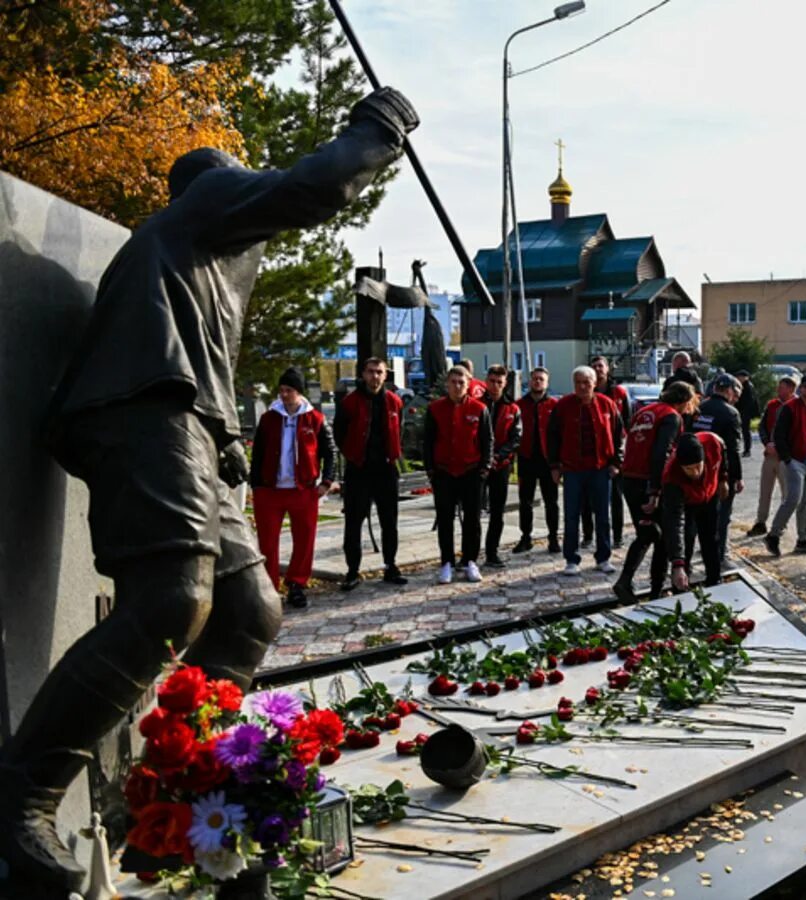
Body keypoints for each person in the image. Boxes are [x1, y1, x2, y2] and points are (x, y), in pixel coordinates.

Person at [5, 85, 415, 893]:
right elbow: (320, 183)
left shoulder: (200, 262)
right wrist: (380, 127)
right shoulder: (204, 208)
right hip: (143, 409)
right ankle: (21, 794)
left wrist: (227, 443)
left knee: (250, 609)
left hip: (189, 422)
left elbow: (209, 366)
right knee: (168, 602)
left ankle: (191, 786)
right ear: (220, 190)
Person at [248, 367, 337, 609]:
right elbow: (258, 454)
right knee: (267, 542)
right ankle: (269, 587)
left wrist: (326, 481)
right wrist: (255, 484)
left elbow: (330, 453)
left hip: (303, 490)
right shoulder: (269, 418)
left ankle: (297, 584)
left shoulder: (315, 419)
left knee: (304, 539)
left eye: (289, 391)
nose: (284, 395)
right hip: (270, 490)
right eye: (282, 390)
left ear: (299, 392)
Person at [614, 382, 695, 602]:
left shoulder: (645, 412)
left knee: (649, 532)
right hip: (647, 480)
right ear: (684, 400)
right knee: (659, 535)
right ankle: (651, 587)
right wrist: (655, 490)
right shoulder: (671, 417)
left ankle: (633, 583)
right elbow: (661, 452)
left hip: (629, 477)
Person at [336, 356, 407, 590]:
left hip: (386, 469)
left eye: (379, 372)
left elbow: (400, 429)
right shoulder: (350, 402)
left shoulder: (395, 401)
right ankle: (352, 571)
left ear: (385, 375)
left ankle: (391, 565)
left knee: (390, 521)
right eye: (370, 371)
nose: (375, 376)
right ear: (363, 374)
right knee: (354, 522)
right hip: (359, 469)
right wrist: (353, 454)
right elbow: (339, 433)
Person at [548, 365, 625, 576]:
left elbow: (619, 435)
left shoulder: (607, 405)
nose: (582, 387)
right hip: (572, 469)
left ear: (594, 383)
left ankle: (603, 557)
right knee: (571, 516)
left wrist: (616, 463)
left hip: (601, 469)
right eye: (578, 383)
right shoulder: (563, 406)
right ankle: (571, 559)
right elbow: (552, 437)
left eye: (586, 382)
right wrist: (554, 466)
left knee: (603, 515)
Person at [424, 366, 492, 584]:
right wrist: (431, 470)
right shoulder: (435, 409)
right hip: (443, 472)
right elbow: (428, 442)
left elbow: (487, 441)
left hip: (471, 472)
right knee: (445, 520)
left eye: (461, 382)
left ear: (469, 383)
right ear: (447, 384)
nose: (457, 386)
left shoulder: (479, 409)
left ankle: (470, 560)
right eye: (453, 382)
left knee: (472, 520)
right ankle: (447, 563)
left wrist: (484, 468)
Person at [764, 374, 806, 556]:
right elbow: (779, 434)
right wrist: (787, 458)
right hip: (795, 461)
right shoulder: (790, 408)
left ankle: (803, 539)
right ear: (801, 388)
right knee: (793, 499)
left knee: (805, 502)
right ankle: (773, 535)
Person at [665, 431, 730, 592]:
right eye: (688, 469)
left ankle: (714, 580)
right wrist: (677, 562)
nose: (695, 472)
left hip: (709, 495)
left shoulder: (713, 443)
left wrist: (723, 478)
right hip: (687, 503)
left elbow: (723, 457)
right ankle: (681, 583)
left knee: (710, 538)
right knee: (687, 538)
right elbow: (674, 522)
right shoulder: (671, 477)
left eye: (698, 466)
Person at [693, 373, 744, 568]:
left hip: (697, 469)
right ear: (730, 391)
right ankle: (719, 557)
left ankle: (691, 558)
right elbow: (733, 449)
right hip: (719, 472)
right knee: (721, 517)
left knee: (698, 516)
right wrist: (736, 477)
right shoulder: (730, 413)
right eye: (735, 395)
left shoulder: (699, 407)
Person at [583, 356, 630, 550]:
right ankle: (587, 535)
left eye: (600, 366)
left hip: (613, 451)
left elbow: (627, 421)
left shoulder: (618, 392)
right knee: (586, 498)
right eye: (594, 367)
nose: (598, 369)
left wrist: (619, 450)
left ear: (607, 369)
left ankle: (617, 536)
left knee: (616, 497)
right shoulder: (585, 392)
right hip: (590, 452)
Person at [513, 367, 560, 555]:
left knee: (551, 502)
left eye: (541, 379)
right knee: (525, 502)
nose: (537, 382)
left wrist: (559, 462)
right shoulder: (519, 405)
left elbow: (560, 434)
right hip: (527, 459)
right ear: (529, 381)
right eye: (534, 379)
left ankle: (554, 537)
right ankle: (526, 537)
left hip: (549, 460)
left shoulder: (554, 405)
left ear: (547, 383)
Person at [481, 364, 521, 568]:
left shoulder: (513, 408)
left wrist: (498, 456)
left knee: (497, 512)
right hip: (478, 467)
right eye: (492, 381)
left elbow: (516, 438)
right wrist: (484, 458)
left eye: (499, 382)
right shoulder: (476, 405)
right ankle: (468, 554)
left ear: (505, 384)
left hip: (500, 466)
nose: (495, 386)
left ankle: (491, 552)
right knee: (472, 512)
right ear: (486, 381)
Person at [747, 376, 797, 538]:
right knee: (765, 490)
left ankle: (781, 524)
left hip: (786, 457)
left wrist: (785, 450)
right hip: (770, 454)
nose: (778, 390)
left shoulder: (796, 407)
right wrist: (767, 443)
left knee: (786, 493)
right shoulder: (772, 405)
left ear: (791, 389)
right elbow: (762, 427)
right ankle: (761, 522)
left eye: (782, 387)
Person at [735, 369, 760, 457]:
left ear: (745, 377)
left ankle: (747, 450)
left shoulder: (748, 386)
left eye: (740, 377)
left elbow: (749, 401)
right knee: (744, 430)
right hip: (743, 411)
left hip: (745, 412)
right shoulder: (745, 385)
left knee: (745, 431)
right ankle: (746, 449)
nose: (738, 378)